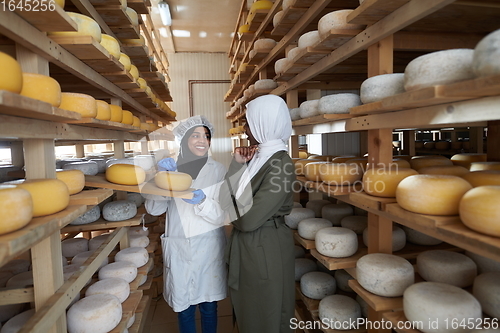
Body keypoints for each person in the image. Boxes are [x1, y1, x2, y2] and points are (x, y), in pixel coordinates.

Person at [219, 94, 296, 333]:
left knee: (266, 317)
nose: (245, 128)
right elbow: (223, 198)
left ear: (266, 123)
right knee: (249, 314)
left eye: (249, 122)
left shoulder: (281, 164)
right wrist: (236, 165)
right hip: (249, 245)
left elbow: (250, 219)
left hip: (264, 246)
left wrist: (231, 207)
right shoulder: (256, 158)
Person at [144, 115, 227, 333]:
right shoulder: (171, 170)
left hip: (209, 248)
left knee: (209, 307)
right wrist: (160, 180)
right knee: (185, 309)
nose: (202, 140)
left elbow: (222, 215)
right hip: (179, 246)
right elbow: (153, 210)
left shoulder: (218, 170)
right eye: (195, 135)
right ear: (183, 140)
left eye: (206, 136)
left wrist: (203, 202)